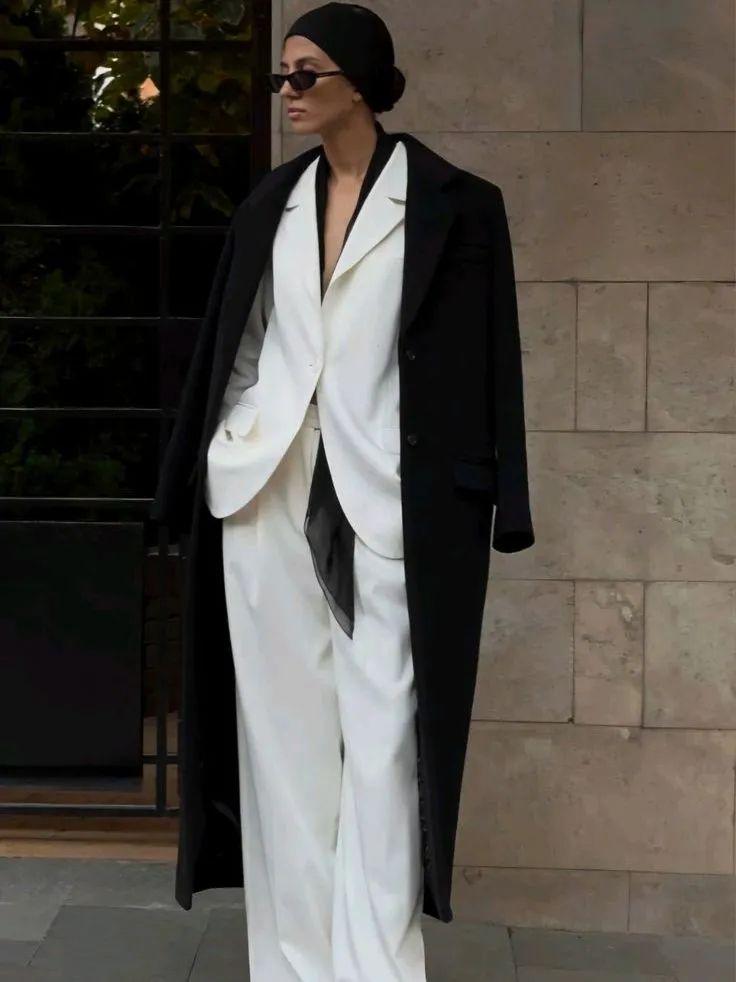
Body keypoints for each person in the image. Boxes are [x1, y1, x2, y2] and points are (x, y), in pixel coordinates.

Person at [212, 4, 429, 979]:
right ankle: (296, 966)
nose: (289, 91)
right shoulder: (273, 202)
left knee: (382, 748)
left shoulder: (449, 205)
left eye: (307, 74)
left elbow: (477, 372)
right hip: (268, 492)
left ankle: (375, 968)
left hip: (385, 503)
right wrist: (236, 437)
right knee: (286, 753)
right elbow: (246, 337)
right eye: (283, 75)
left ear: (360, 82)